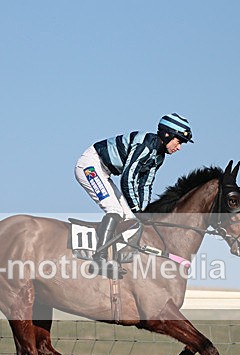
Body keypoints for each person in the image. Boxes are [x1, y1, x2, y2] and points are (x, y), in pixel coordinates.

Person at [74, 113, 193, 270]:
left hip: (104, 172)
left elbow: (145, 185)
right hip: (90, 165)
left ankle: (115, 258)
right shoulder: (146, 145)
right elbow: (128, 177)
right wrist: (137, 209)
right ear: (167, 134)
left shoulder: (159, 157)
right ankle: (99, 258)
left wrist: (144, 211)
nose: (179, 147)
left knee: (130, 218)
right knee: (114, 210)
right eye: (179, 141)